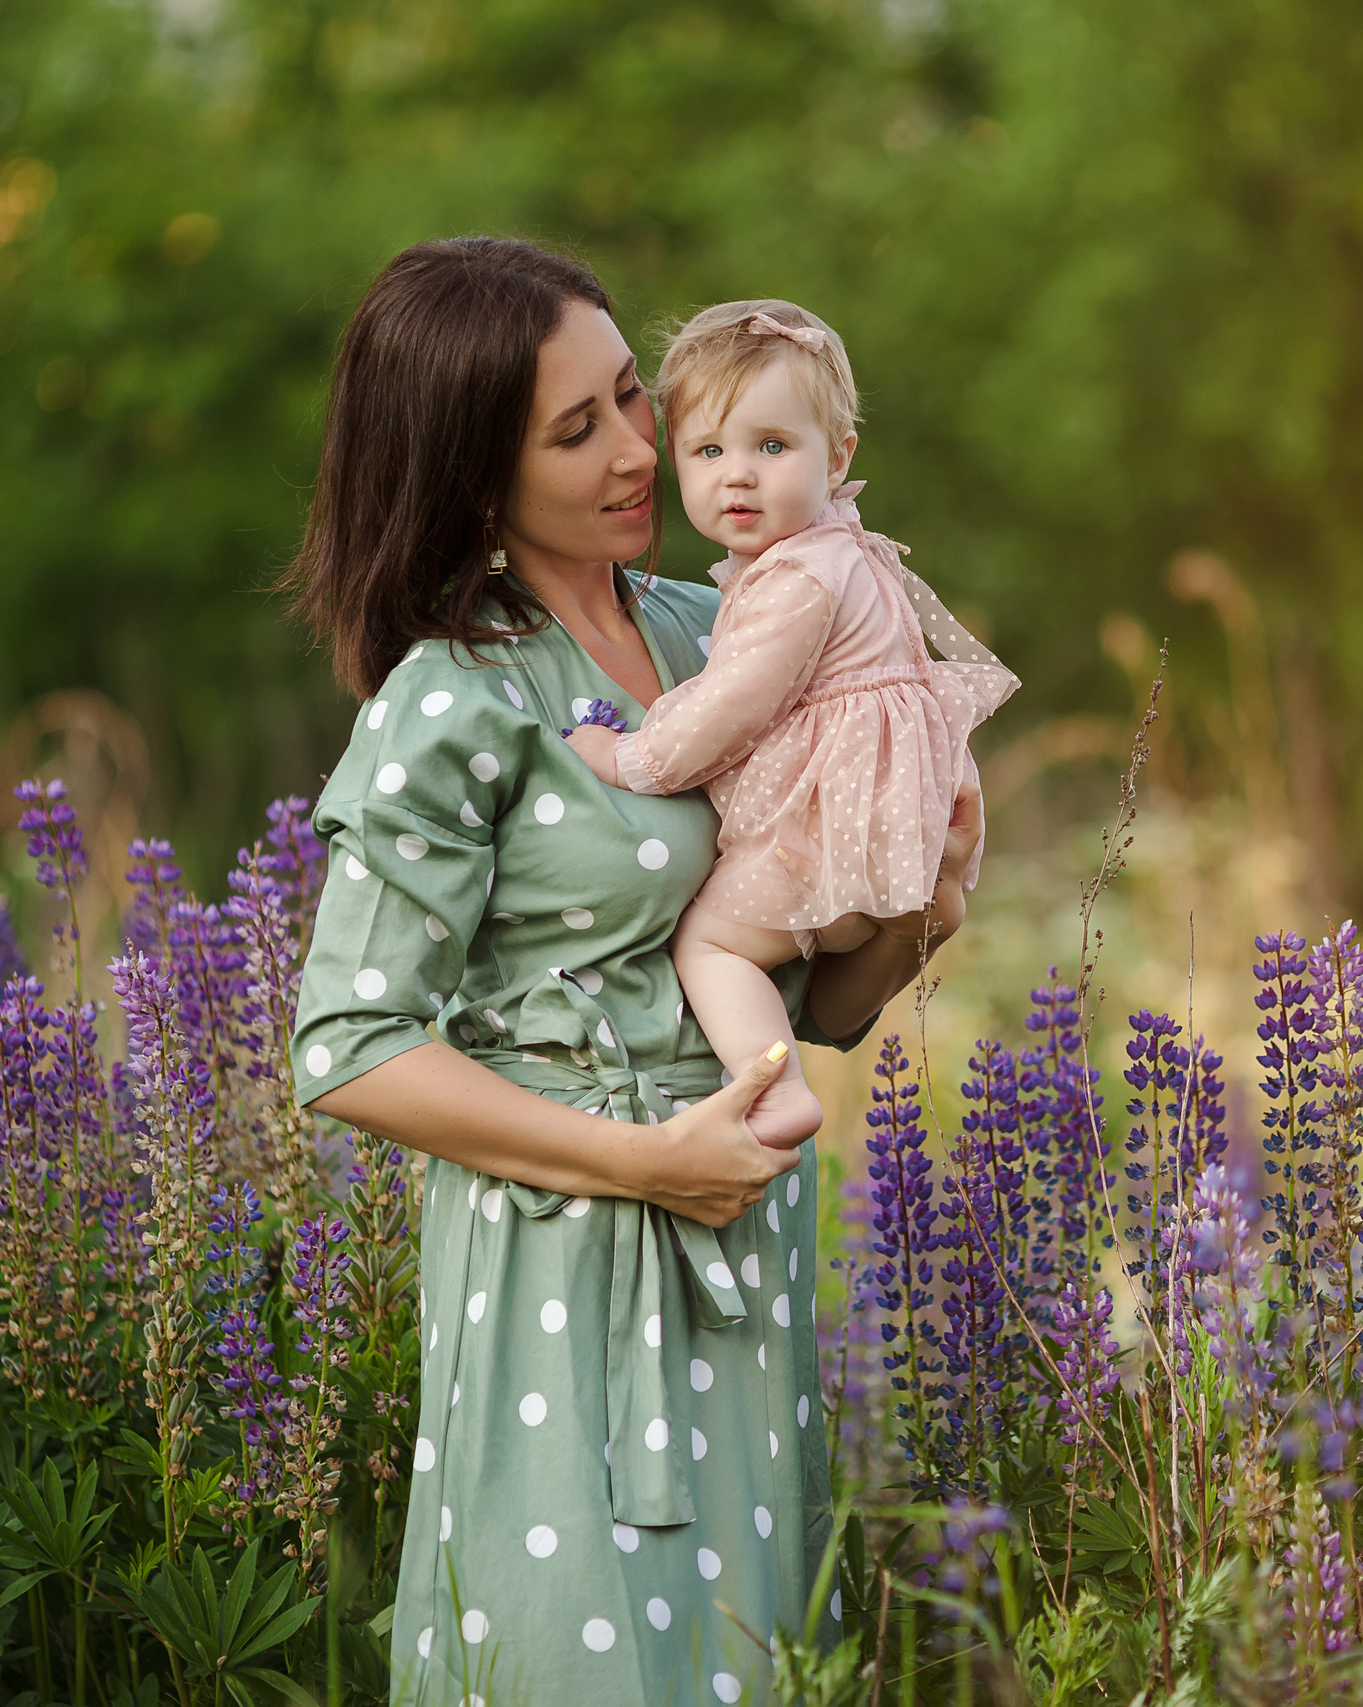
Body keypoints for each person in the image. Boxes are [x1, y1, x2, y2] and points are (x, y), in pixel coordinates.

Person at [283, 238, 977, 1706]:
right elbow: (347, 1042)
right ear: (477, 473)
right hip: (566, 1248)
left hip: (740, 1242)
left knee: (745, 1661)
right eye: (575, 427)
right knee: (574, 1653)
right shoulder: (453, 691)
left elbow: (806, 1000)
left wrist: (909, 912)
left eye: (631, 400)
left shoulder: (713, 621)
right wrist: (643, 1159)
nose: (638, 451)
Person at [562, 301, 1015, 1139]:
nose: (737, 474)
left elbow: (729, 705)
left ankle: (771, 1089)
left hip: (828, 845)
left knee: (713, 947)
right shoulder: (841, 551)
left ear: (838, 455)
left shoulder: (796, 580)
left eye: (771, 447)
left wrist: (633, 758)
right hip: (880, 843)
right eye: (708, 450)